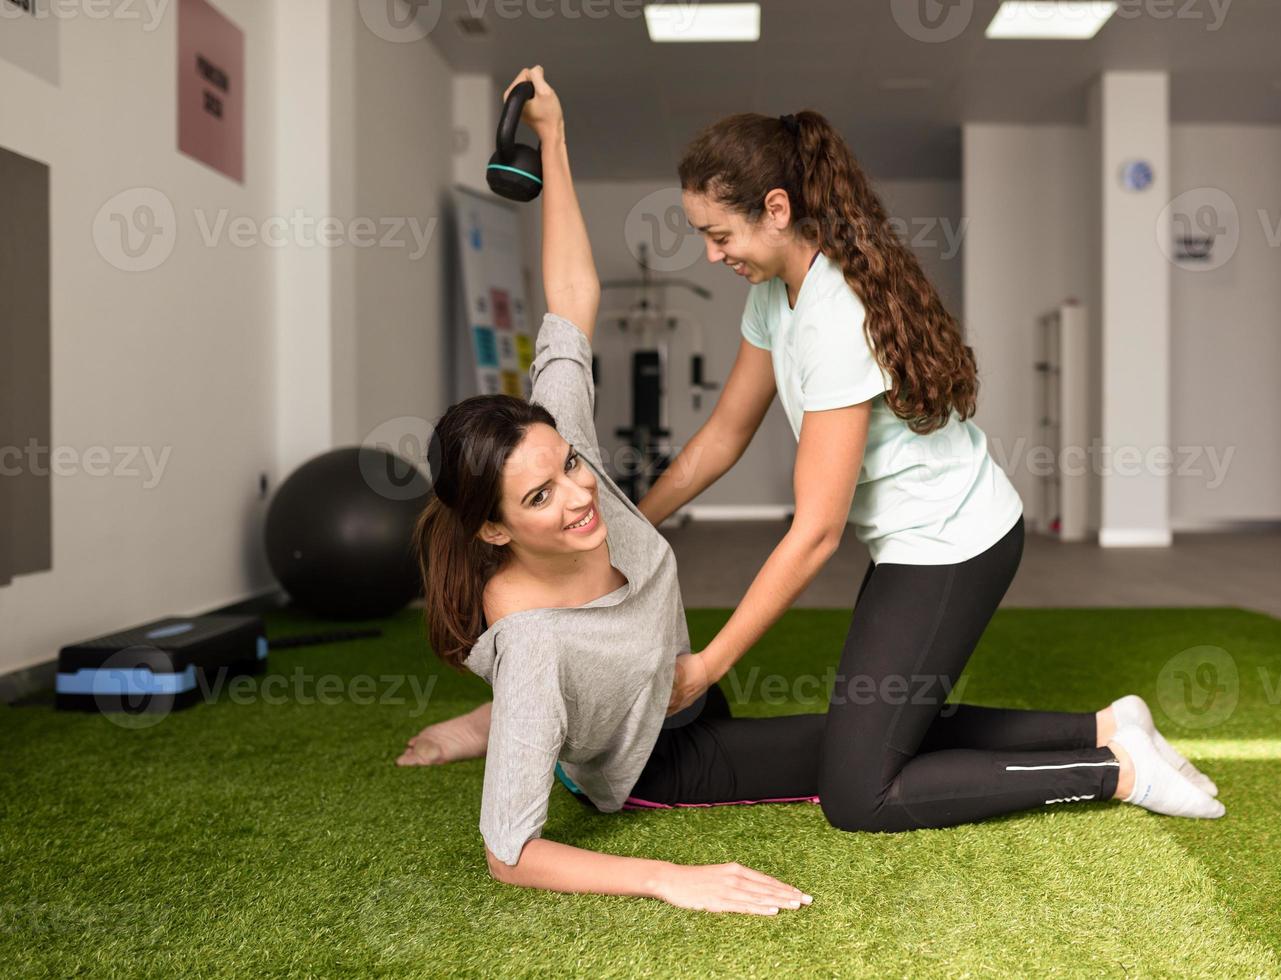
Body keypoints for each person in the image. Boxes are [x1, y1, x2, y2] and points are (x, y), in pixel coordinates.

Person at [401, 67, 1223, 916]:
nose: (711, 255)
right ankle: (1107, 730)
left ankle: (1116, 770)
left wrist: (706, 657)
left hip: (948, 541)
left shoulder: (821, 325)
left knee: (861, 782)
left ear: (778, 210)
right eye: (541, 498)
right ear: (495, 528)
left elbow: (813, 530)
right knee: (870, 740)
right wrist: (610, 516)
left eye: (719, 234)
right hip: (891, 558)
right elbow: (722, 436)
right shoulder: (774, 297)